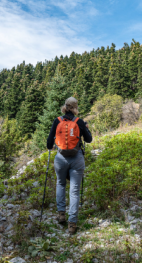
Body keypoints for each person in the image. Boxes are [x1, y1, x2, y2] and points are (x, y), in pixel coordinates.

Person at [47, 97, 92, 234]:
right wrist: (86, 129)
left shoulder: (57, 121)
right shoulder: (79, 122)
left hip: (60, 158)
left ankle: (61, 214)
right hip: (76, 158)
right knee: (74, 190)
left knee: (60, 184)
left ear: (65, 107)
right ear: (75, 108)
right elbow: (89, 140)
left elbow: (49, 143)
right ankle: (72, 223)